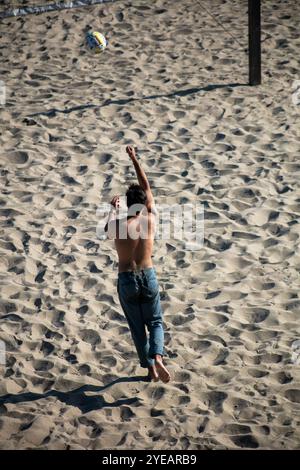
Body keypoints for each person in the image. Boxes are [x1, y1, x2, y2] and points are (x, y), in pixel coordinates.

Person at [104, 146, 170, 383]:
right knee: (155, 322)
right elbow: (147, 187)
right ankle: (158, 356)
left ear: (127, 203)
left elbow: (107, 229)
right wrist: (134, 159)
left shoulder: (119, 225)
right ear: (144, 203)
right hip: (148, 275)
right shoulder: (150, 217)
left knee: (137, 328)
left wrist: (114, 210)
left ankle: (150, 368)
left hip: (126, 279)